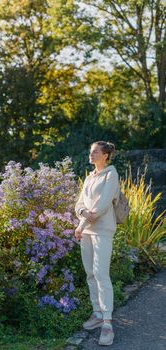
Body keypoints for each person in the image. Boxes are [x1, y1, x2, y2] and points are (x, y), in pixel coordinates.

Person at [75, 140, 120, 346]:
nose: (91, 155)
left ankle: (108, 324)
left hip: (101, 230)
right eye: (90, 152)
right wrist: (82, 213)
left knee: (101, 274)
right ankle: (97, 313)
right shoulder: (90, 177)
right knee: (90, 274)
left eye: (95, 152)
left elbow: (100, 207)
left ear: (105, 156)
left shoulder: (111, 175)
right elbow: (80, 204)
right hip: (86, 231)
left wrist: (81, 223)